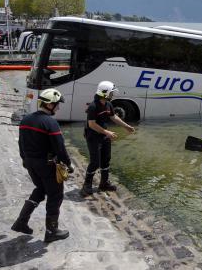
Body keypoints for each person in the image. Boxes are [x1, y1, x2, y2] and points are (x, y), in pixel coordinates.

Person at [12, 88, 74, 243]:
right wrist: (68, 164)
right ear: (51, 105)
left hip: (30, 163)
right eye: (57, 104)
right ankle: (51, 231)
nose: (58, 107)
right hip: (46, 165)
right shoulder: (50, 122)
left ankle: (21, 221)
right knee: (55, 195)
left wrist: (25, 160)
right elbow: (60, 147)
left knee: (40, 190)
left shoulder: (26, 120)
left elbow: (21, 143)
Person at [81, 81, 135, 196]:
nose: (113, 95)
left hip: (104, 135)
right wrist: (107, 132)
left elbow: (113, 117)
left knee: (106, 159)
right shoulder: (93, 106)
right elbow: (91, 124)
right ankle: (86, 186)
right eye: (111, 93)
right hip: (93, 136)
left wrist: (127, 126)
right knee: (95, 162)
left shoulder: (108, 104)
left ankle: (104, 183)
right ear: (104, 93)